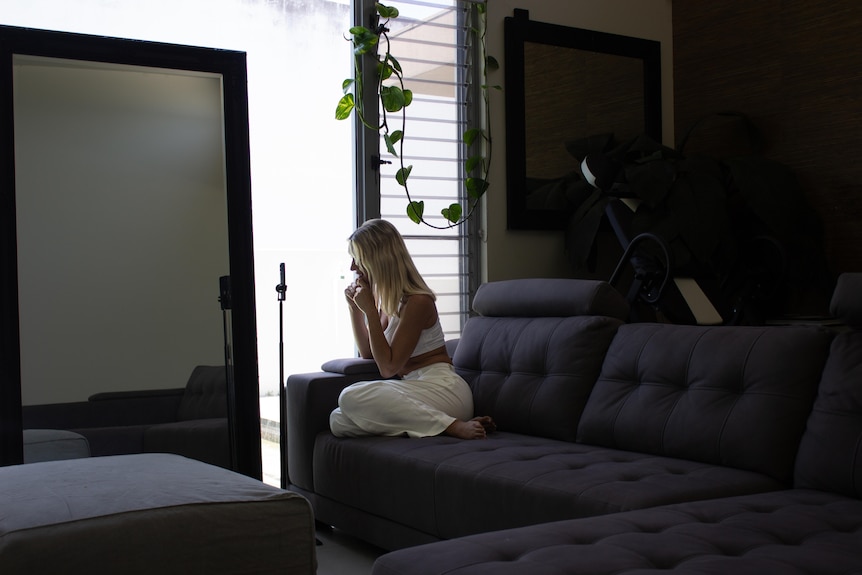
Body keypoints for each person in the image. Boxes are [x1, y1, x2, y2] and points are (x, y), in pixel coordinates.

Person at [329, 218, 494, 440]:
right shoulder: (387, 300)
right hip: (413, 392)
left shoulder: (418, 301)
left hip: (442, 389)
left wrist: (370, 312)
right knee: (338, 420)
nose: (352, 267)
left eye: (357, 258)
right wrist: (355, 309)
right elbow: (369, 353)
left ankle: (450, 425)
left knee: (349, 397)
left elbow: (387, 368)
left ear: (377, 259)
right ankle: (426, 424)